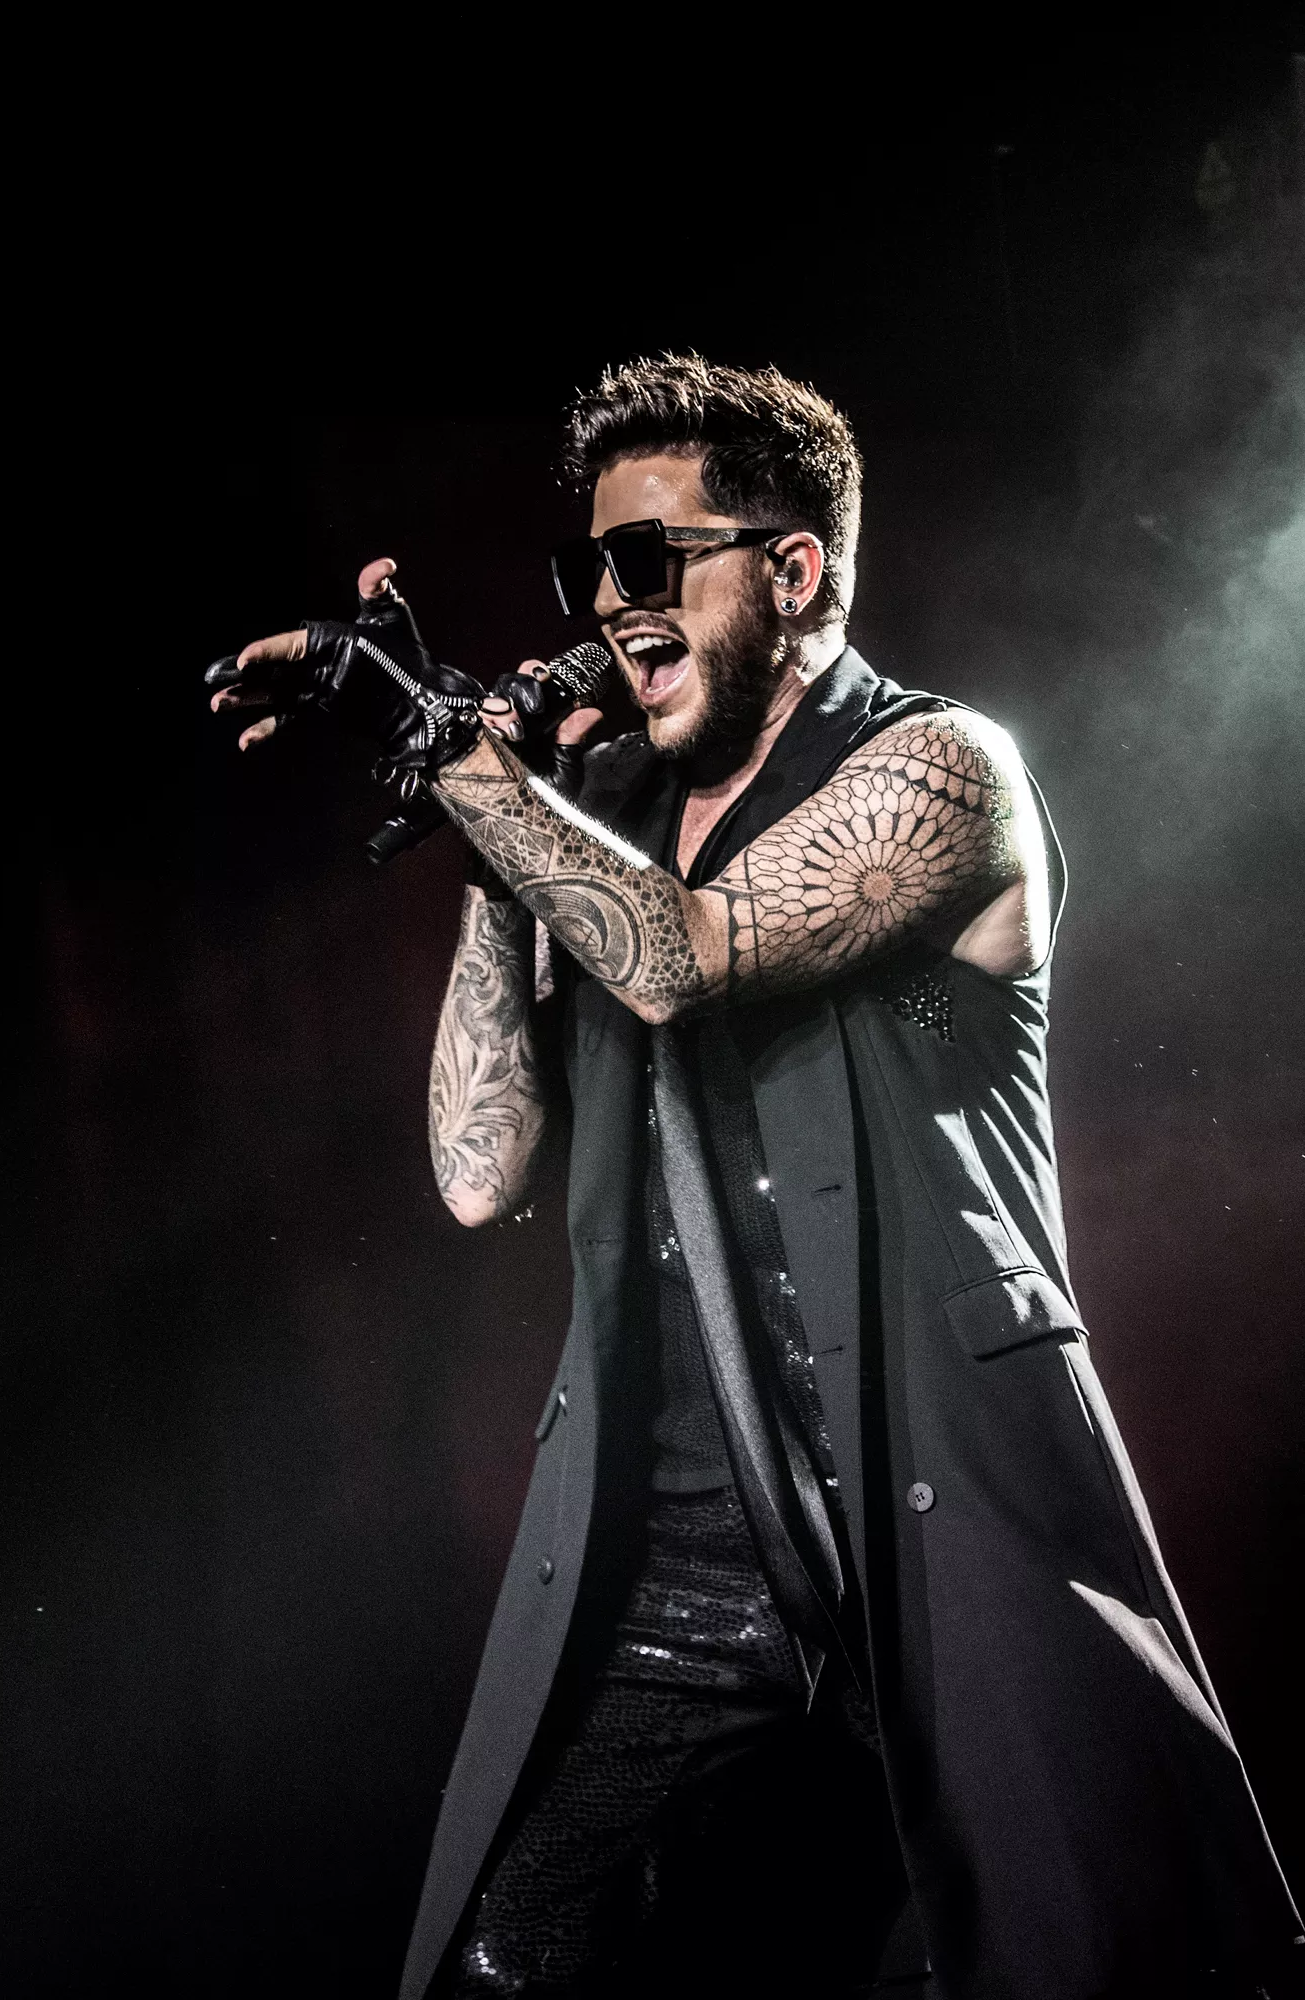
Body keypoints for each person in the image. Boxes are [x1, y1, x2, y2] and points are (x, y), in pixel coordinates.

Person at [212, 357, 1301, 1998]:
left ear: (791, 571)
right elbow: (476, 1170)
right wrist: (502, 822)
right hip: (683, 1543)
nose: (609, 603)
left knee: (1056, 1953)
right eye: (590, 569)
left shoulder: (942, 770)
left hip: (935, 1496)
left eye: (649, 560)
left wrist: (459, 763)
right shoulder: (602, 813)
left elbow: (683, 956)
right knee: (506, 1959)